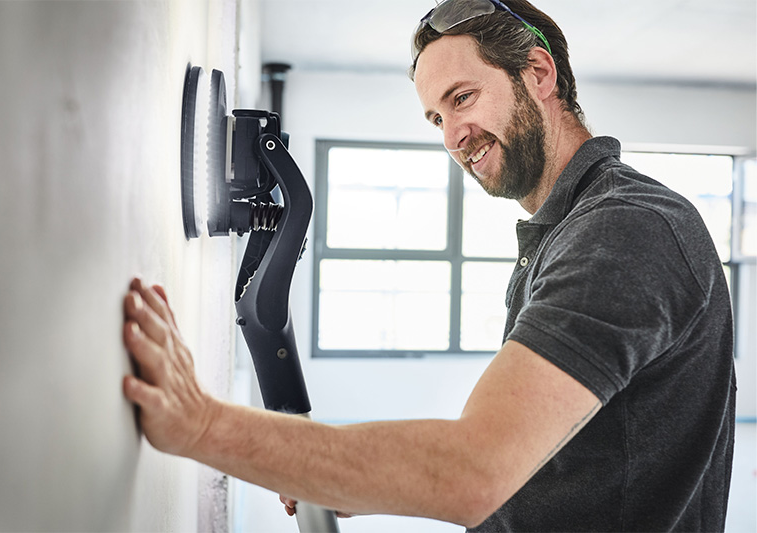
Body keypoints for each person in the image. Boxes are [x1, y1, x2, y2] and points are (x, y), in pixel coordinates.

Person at [122, 0, 736, 530]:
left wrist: (200, 425)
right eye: (437, 119)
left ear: (540, 73)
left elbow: (474, 470)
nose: (453, 137)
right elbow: (537, 453)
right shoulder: (568, 232)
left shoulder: (626, 229)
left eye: (462, 98)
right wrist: (373, 474)